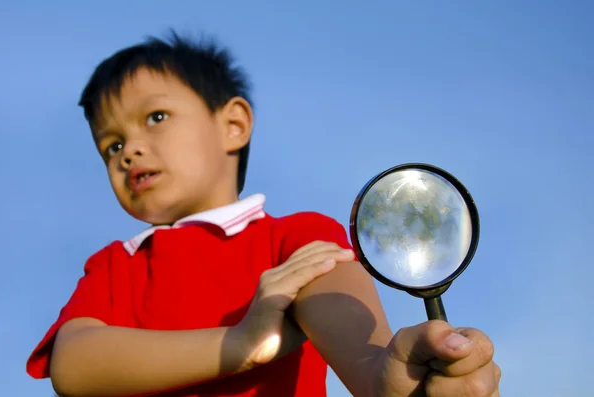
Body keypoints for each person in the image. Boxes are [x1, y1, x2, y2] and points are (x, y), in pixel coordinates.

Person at [26, 31, 501, 397]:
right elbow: (73, 364)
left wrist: (388, 377)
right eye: (111, 145)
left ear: (233, 124)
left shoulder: (293, 239)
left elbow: (367, 360)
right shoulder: (115, 264)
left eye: (155, 118)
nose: (128, 152)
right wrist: (238, 345)